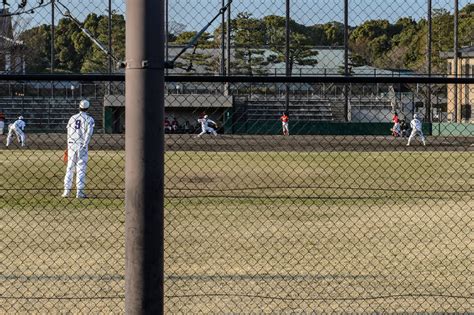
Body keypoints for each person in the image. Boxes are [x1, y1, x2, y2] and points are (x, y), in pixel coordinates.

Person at [62, 100, 95, 198]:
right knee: (81, 168)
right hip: (81, 144)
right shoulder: (89, 119)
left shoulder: (72, 118)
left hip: (72, 144)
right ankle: (79, 192)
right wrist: (85, 144)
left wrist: (68, 146)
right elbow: (89, 133)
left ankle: (66, 191)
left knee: (70, 168)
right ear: (88, 108)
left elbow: (68, 132)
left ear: (79, 107)